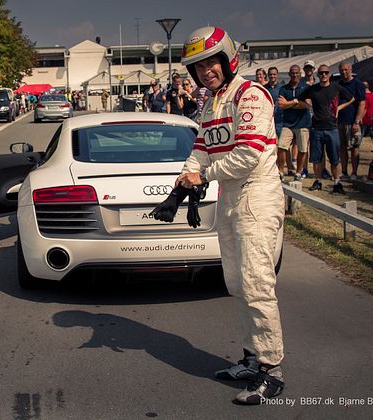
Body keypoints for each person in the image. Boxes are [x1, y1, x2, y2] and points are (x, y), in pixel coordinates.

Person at [151, 26, 285, 405]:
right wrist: (184, 176)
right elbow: (200, 150)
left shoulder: (251, 95)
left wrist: (202, 176)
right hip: (229, 199)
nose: (206, 70)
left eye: (211, 61)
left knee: (257, 284)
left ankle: (272, 370)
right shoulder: (211, 103)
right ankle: (251, 357)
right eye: (197, 66)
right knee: (237, 283)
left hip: (257, 196)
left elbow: (249, 155)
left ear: (228, 59)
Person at [296, 64, 355, 194]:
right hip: (316, 128)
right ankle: (318, 181)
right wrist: (308, 106)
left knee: (334, 158)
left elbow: (352, 99)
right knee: (317, 158)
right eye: (321, 73)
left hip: (332, 127)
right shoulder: (313, 89)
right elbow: (299, 99)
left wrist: (339, 108)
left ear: (329, 74)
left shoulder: (336, 87)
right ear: (318, 75)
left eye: (326, 73)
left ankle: (337, 183)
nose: (323, 75)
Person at [278, 65, 312, 180]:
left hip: (303, 123)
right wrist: (296, 101)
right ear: (289, 74)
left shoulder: (306, 87)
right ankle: (280, 171)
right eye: (292, 73)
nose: (295, 75)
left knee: (302, 149)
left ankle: (298, 172)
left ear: (300, 74)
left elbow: (307, 105)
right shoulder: (284, 89)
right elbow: (281, 105)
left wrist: (289, 103)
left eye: (297, 73)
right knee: (282, 146)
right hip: (288, 123)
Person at [337, 62, 366, 179]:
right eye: (341, 70)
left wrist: (357, 121)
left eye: (345, 70)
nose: (344, 72)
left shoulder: (357, 84)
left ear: (350, 69)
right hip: (340, 121)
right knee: (342, 148)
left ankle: (354, 172)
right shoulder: (339, 84)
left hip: (352, 121)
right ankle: (344, 171)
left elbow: (362, 103)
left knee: (355, 147)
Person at [264, 67, 285, 176]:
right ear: (268, 75)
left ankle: (281, 169)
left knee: (282, 147)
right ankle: (273, 169)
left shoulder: (282, 88)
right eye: (270, 74)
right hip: (268, 122)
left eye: (274, 74)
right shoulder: (264, 88)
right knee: (272, 147)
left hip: (281, 121)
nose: (272, 76)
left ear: (277, 75)